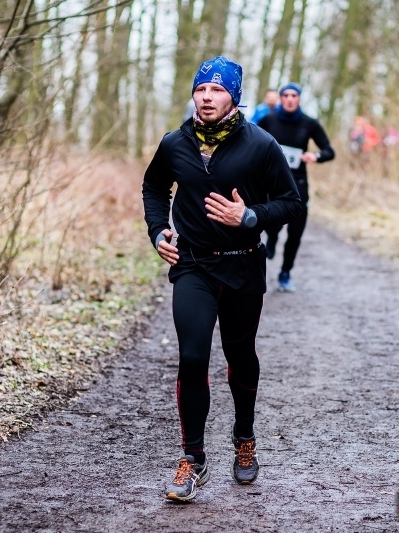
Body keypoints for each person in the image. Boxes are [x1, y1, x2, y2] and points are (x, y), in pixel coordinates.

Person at [142, 56, 302, 502]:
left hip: (242, 265)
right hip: (191, 263)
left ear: (234, 96)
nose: (207, 97)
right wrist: (158, 231)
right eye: (201, 89)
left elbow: (291, 203)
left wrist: (249, 216)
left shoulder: (261, 145)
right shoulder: (175, 143)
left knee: (240, 356)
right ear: (193, 94)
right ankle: (193, 459)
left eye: (217, 90)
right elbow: (154, 188)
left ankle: (244, 438)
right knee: (192, 357)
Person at [258, 82, 335, 292]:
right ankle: (272, 236)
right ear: (280, 98)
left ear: (299, 98)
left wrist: (315, 156)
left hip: (298, 182)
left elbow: (329, 151)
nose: (290, 99)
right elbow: (253, 144)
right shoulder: (269, 120)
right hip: (272, 182)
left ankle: (285, 273)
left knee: (296, 231)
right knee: (272, 222)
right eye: (286, 95)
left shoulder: (309, 123)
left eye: (294, 95)